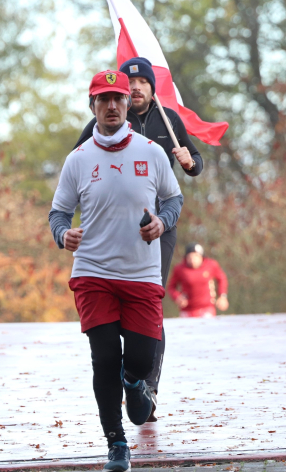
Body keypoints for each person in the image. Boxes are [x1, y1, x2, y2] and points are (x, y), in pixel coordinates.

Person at [50, 69, 183, 472]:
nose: (111, 106)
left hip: (141, 274)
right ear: (93, 106)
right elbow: (58, 213)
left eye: (118, 99)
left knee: (140, 358)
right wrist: (63, 235)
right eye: (103, 100)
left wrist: (162, 222)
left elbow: (173, 201)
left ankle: (134, 382)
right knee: (104, 356)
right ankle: (116, 444)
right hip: (92, 272)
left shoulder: (152, 152)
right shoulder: (78, 160)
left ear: (128, 105)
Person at [72, 57, 203, 419]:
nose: (136, 87)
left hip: (160, 225)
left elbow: (195, 163)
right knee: (116, 314)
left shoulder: (168, 120)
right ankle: (124, 372)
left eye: (143, 82)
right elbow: (77, 165)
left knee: (150, 300)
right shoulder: (103, 122)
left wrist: (189, 161)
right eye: (131, 83)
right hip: (113, 233)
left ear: (151, 88)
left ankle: (147, 384)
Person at [168, 243, 229, 318]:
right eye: (190, 257)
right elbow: (171, 287)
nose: (193, 259)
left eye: (196, 256)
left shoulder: (211, 265)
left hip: (207, 309)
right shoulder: (180, 269)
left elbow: (222, 279)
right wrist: (177, 297)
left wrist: (222, 296)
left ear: (202, 257)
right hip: (187, 311)